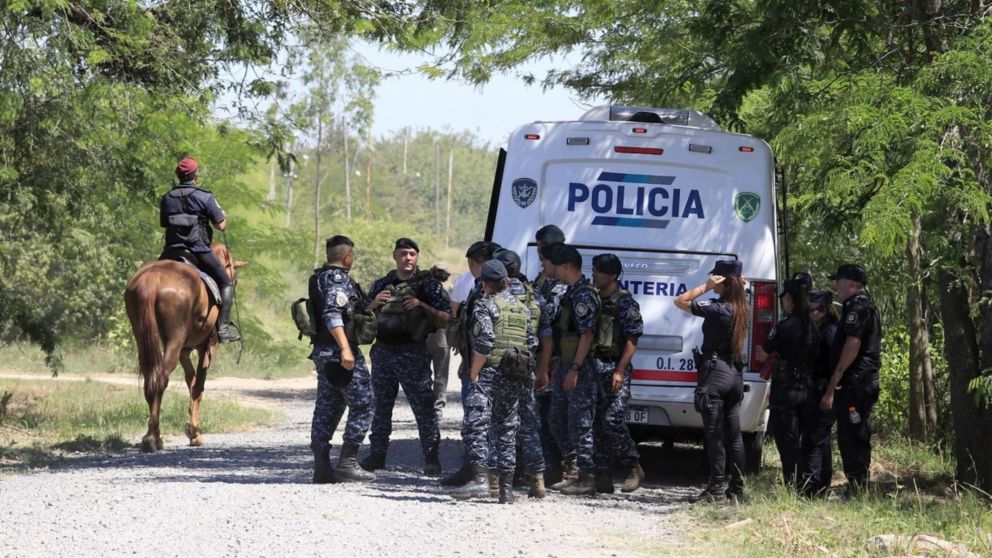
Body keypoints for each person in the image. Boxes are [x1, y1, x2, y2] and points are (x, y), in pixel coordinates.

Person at [361, 238, 450, 476]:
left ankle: (431, 459)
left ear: (417, 257)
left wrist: (422, 305)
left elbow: (446, 318)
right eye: (403, 254)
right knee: (381, 408)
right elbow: (362, 317)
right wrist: (373, 304)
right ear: (394, 256)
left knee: (424, 409)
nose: (407, 258)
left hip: (413, 353)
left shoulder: (428, 285)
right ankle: (377, 455)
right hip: (383, 353)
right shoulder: (382, 283)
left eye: (412, 253)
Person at [450, 260, 537, 502]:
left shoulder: (485, 305)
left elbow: (485, 340)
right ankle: (506, 490)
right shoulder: (522, 309)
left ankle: (480, 480)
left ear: (485, 284)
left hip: (489, 373)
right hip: (514, 375)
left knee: (476, 425)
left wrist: (474, 372)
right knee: (507, 430)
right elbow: (531, 344)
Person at [674, 259, 749, 503]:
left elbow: (680, 301)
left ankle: (716, 489)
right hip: (735, 374)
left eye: (716, 278)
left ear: (722, 280)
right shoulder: (742, 307)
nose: (713, 282)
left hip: (715, 374)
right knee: (734, 436)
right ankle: (737, 489)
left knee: (715, 435)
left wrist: (704, 287)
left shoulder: (718, 308)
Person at [308, 235, 375, 484]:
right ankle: (348, 463)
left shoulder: (320, 277)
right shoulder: (338, 279)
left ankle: (322, 466)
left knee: (329, 405)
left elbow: (347, 311)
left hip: (323, 350)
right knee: (364, 402)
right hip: (339, 351)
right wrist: (346, 349)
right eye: (352, 255)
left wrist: (372, 305)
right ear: (347, 257)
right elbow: (332, 313)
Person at [159, 157, 239, 342]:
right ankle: (223, 330)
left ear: (178, 176)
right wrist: (222, 215)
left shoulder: (167, 197)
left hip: (171, 251)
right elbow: (221, 225)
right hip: (198, 250)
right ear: (195, 175)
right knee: (226, 282)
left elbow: (164, 223)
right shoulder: (205, 196)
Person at [440, 240, 501, 487]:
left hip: (485, 362)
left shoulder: (482, 286)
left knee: (480, 419)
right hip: (485, 360)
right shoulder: (471, 283)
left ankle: (482, 473)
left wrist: (471, 365)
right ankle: (474, 469)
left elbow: (459, 321)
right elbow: (460, 324)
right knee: (480, 420)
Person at [819, 264, 882, 496]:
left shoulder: (858, 307)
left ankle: (857, 487)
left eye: (839, 281)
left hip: (856, 382)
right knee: (851, 431)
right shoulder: (858, 306)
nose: (836, 285)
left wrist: (836, 377)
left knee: (852, 433)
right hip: (857, 381)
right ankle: (856, 484)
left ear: (852, 284)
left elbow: (852, 344)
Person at [547, 244, 601, 496]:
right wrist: (561, 363)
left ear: (567, 266)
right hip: (567, 364)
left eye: (556, 266)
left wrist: (576, 368)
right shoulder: (571, 292)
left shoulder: (584, 295)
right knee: (557, 418)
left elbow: (587, 334)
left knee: (580, 423)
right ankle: (572, 470)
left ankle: (587, 477)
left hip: (582, 367)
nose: (553, 270)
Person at [755, 278, 819, 489]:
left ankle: (793, 487)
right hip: (808, 390)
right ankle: (809, 484)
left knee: (787, 443)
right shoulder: (813, 327)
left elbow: (762, 355)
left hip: (786, 391)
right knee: (805, 441)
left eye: (783, 298)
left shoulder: (785, 325)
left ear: (789, 298)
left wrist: (763, 351)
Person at [495, 248, 548, 497]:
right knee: (529, 423)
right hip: (528, 365)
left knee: (502, 423)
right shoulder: (534, 295)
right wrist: (543, 367)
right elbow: (546, 335)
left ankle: (501, 478)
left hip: (501, 366)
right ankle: (537, 480)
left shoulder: (495, 295)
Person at [590, 253, 645, 494]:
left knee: (612, 419)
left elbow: (632, 339)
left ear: (612, 275)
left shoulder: (625, 303)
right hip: (593, 367)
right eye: (594, 269)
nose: (594, 275)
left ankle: (633, 465)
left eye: (599, 271)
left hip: (614, 367)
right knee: (596, 421)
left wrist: (620, 370)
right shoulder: (592, 298)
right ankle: (602, 473)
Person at [803, 290, 838, 495]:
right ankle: (821, 486)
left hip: (824, 389)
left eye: (812, 310)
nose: (809, 314)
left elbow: (836, 368)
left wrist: (829, 393)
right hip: (818, 388)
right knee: (820, 439)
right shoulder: (819, 329)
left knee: (814, 438)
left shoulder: (829, 333)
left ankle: (813, 486)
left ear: (823, 311)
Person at [426, 262, 453, 420]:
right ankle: (435, 407)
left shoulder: (427, 286)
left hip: (435, 333)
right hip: (436, 334)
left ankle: (434, 407)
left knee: (438, 373)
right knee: (439, 373)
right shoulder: (440, 289)